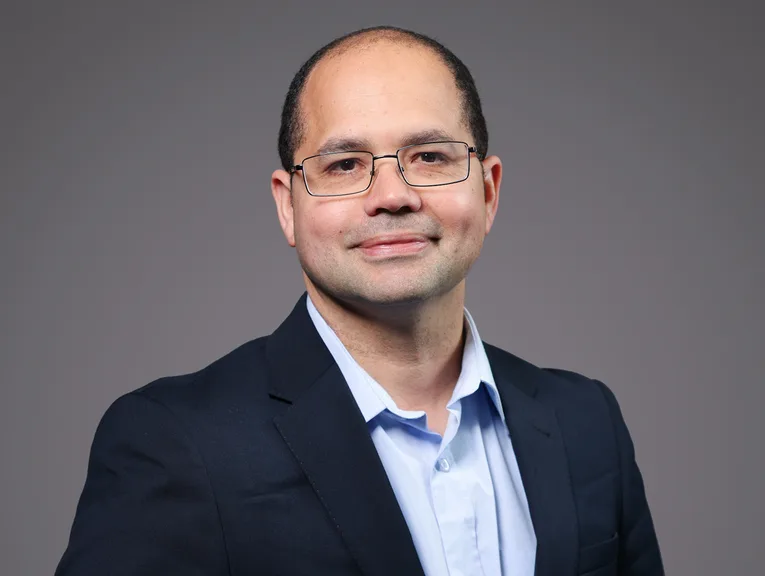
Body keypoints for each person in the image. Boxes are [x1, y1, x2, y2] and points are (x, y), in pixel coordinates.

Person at [55, 26, 664, 576]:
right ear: (287, 206)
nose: (393, 196)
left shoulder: (587, 421)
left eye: (429, 156)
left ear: (488, 190)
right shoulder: (173, 442)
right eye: (345, 165)